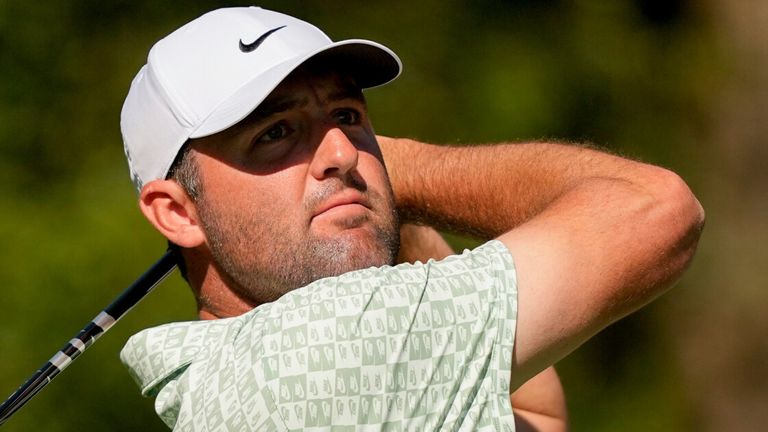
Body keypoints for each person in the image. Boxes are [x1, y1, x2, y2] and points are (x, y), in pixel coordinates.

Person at [118, 6, 704, 432]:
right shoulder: (322, 350)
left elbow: (532, 415)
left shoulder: (222, 385)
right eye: (275, 134)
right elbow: (654, 208)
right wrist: (405, 173)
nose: (344, 154)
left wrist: (369, 208)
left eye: (347, 116)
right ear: (177, 212)